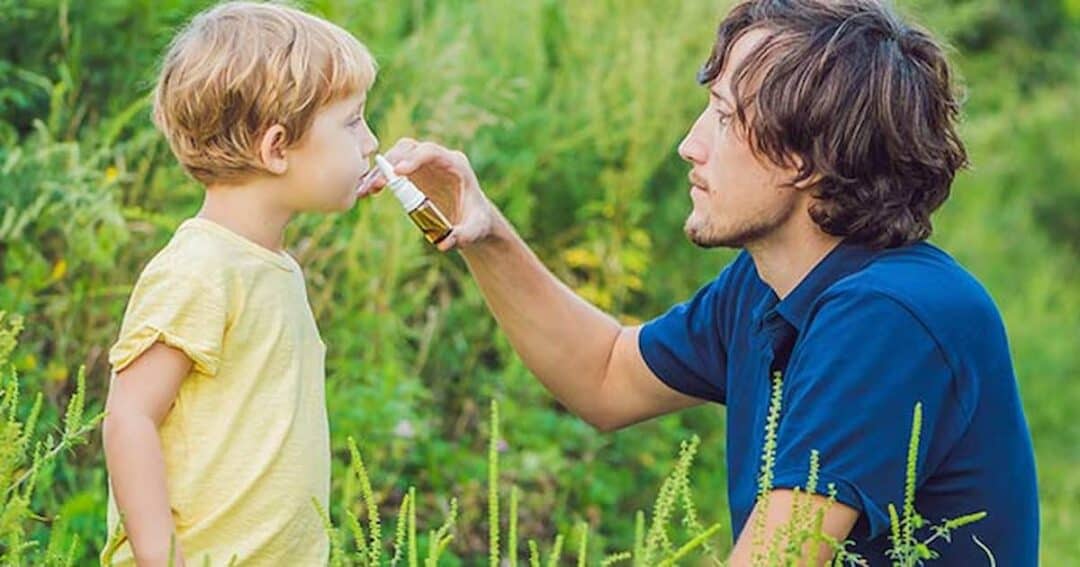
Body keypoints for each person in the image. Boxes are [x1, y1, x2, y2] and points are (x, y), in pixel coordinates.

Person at [362, 0, 1039, 563]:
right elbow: (604, 374)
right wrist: (487, 235)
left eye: (723, 117)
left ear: (805, 154)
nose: (690, 144)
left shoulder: (891, 316)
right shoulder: (769, 283)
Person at [101, 2, 379, 564]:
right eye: (352, 123)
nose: (370, 141)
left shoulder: (266, 262)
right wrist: (162, 558)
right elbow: (129, 417)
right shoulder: (199, 269)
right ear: (276, 148)